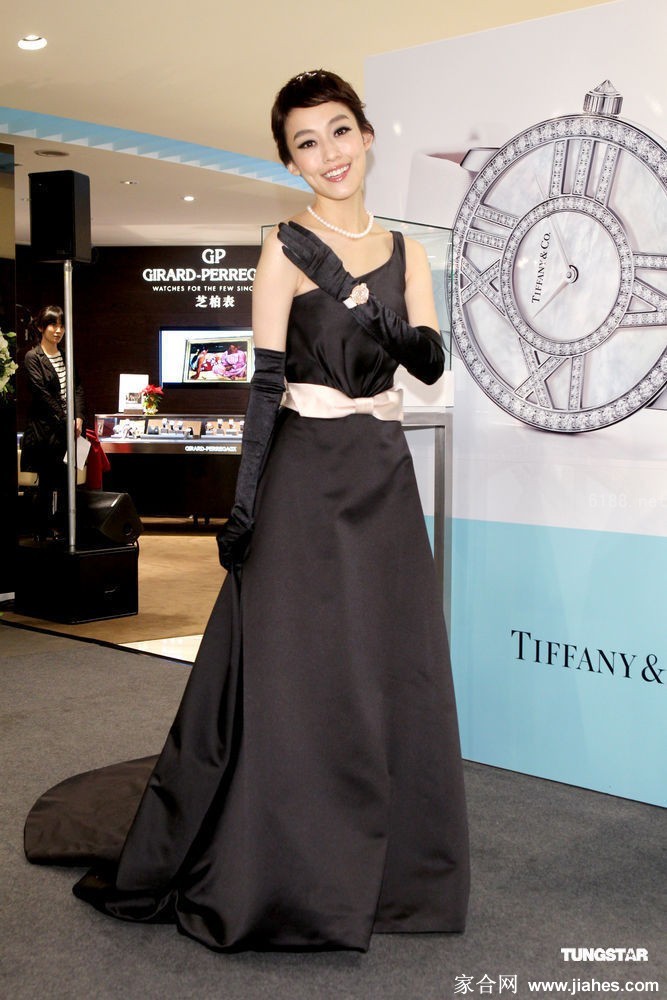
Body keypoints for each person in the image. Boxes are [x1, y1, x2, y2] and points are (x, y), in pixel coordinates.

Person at [24, 70, 469, 952]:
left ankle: (395, 876)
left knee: (390, 663)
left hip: (381, 474)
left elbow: (427, 363)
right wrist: (244, 505)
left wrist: (367, 308)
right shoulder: (283, 249)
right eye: (306, 142)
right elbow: (264, 390)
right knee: (297, 672)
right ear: (289, 161)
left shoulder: (408, 254)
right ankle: (285, 869)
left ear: (366, 135)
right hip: (303, 478)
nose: (328, 154)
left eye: (338, 131)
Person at [20, 305, 85, 540]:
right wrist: (67, 419)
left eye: (61, 325)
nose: (58, 330)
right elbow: (42, 394)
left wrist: (79, 417)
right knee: (46, 484)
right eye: (52, 325)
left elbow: (77, 387)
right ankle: (41, 533)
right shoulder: (33, 357)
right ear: (41, 327)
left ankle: (67, 532)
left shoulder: (66, 355)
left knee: (68, 483)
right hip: (46, 432)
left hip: (69, 431)